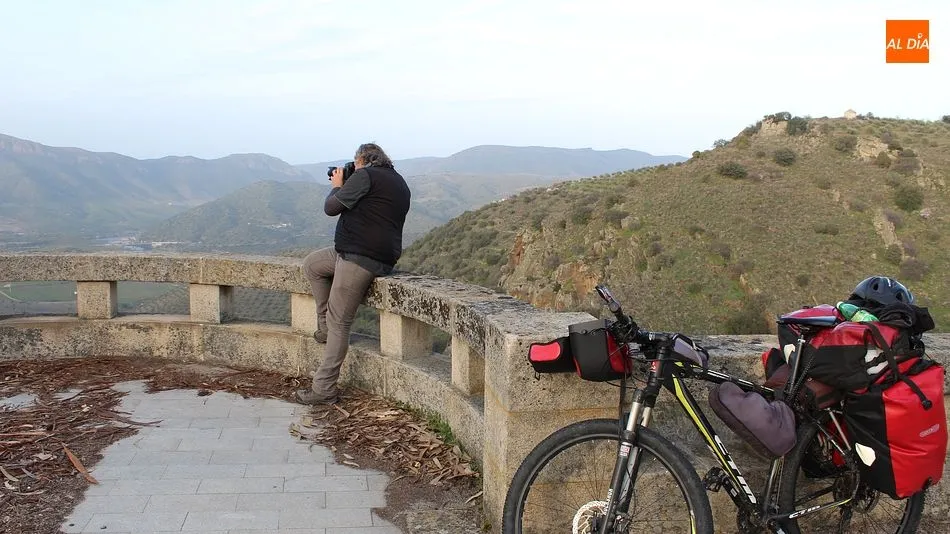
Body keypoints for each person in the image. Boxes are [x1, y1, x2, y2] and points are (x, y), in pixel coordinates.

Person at [295, 143, 411, 405]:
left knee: (340, 321)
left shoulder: (365, 176)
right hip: (364, 253)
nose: (352, 169)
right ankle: (324, 329)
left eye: (354, 164)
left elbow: (330, 208)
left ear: (363, 160)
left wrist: (338, 185)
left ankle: (324, 389)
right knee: (313, 265)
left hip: (360, 257)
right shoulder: (397, 181)